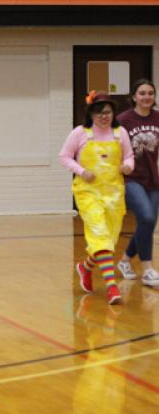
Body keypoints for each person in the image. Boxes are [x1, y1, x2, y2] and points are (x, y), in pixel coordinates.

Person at [59, 91, 134, 305]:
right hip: (88, 193)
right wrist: (82, 171)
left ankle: (85, 267)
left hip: (114, 194)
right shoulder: (80, 133)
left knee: (108, 240)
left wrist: (128, 166)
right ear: (91, 113)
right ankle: (112, 287)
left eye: (107, 112)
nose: (104, 116)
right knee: (99, 234)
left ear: (113, 113)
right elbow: (64, 157)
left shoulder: (120, 133)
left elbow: (129, 156)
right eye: (99, 112)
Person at [116, 79, 159, 286]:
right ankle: (148, 269)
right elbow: (112, 148)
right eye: (142, 93)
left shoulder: (158, 118)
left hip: (153, 178)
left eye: (150, 93)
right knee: (147, 216)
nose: (146, 97)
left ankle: (124, 261)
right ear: (134, 96)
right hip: (131, 178)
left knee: (147, 223)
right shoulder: (123, 120)